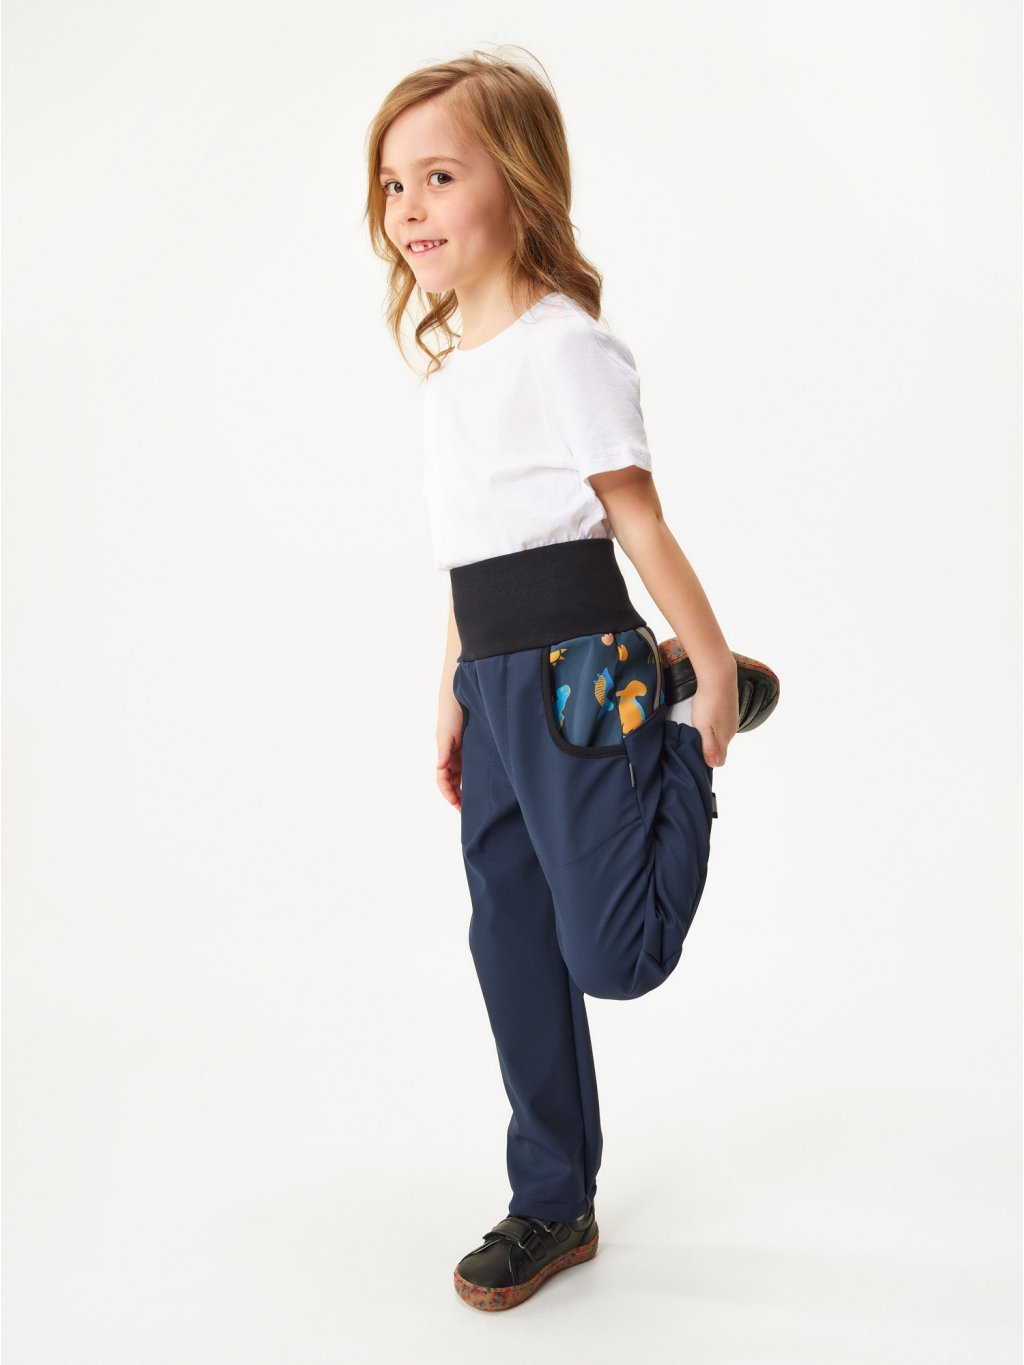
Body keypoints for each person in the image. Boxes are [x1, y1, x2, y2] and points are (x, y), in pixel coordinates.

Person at [364, 48, 780, 1313]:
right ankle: (551, 1200)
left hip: (580, 673)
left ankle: (677, 715)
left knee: (617, 956)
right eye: (393, 185)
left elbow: (637, 523)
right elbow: (467, 557)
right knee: (512, 942)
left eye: (440, 176)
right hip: (498, 686)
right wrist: (451, 691)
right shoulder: (450, 377)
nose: (410, 208)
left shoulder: (565, 351)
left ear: (520, 182)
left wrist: (711, 671)